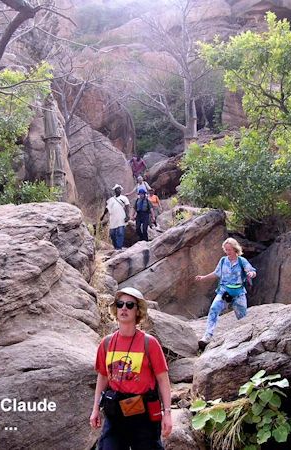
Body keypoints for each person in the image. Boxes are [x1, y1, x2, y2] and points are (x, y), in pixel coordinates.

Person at [90, 287, 173, 449]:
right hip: (115, 414)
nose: (123, 308)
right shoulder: (106, 343)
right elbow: (103, 377)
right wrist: (95, 409)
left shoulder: (150, 343)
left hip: (144, 417)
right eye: (120, 304)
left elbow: (163, 380)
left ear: (138, 311)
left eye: (129, 305)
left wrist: (167, 414)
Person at [194, 238, 257, 349]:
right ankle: (207, 336)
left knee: (242, 316)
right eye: (226, 250)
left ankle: (246, 338)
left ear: (235, 249)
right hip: (224, 291)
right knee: (214, 308)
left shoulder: (242, 261)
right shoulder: (223, 260)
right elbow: (216, 273)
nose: (228, 252)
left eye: (230, 249)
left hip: (238, 292)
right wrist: (203, 277)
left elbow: (251, 271)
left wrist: (251, 273)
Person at [101, 184, 130, 250]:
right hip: (113, 218)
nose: (118, 190)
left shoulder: (124, 198)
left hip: (121, 217)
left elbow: (127, 207)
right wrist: (103, 215)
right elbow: (107, 208)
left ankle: (119, 247)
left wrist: (127, 215)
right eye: (117, 189)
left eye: (119, 189)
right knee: (112, 233)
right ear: (115, 190)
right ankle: (115, 246)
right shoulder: (111, 200)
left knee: (120, 232)